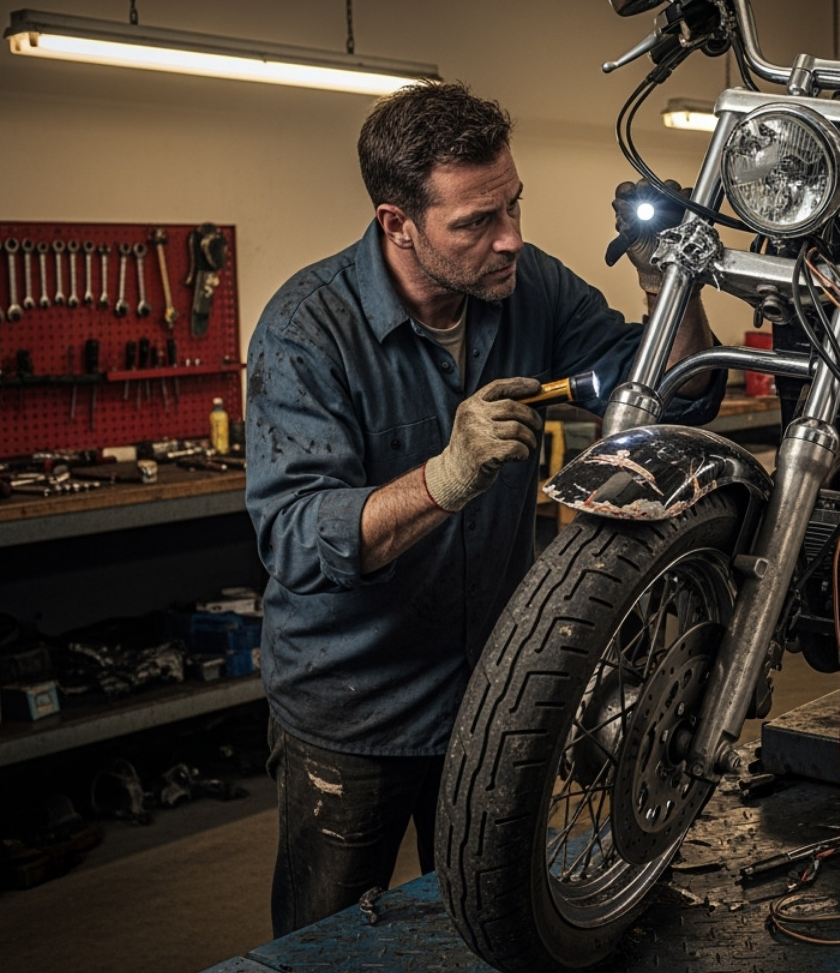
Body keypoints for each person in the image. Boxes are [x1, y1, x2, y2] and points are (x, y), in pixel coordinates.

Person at [244, 81, 724, 937]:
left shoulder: (527, 287)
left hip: (493, 696)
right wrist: (444, 478)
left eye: (513, 206)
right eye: (475, 223)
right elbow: (295, 539)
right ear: (398, 223)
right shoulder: (306, 331)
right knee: (319, 947)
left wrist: (669, 285)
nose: (510, 239)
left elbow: (676, 396)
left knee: (488, 931)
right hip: (355, 711)